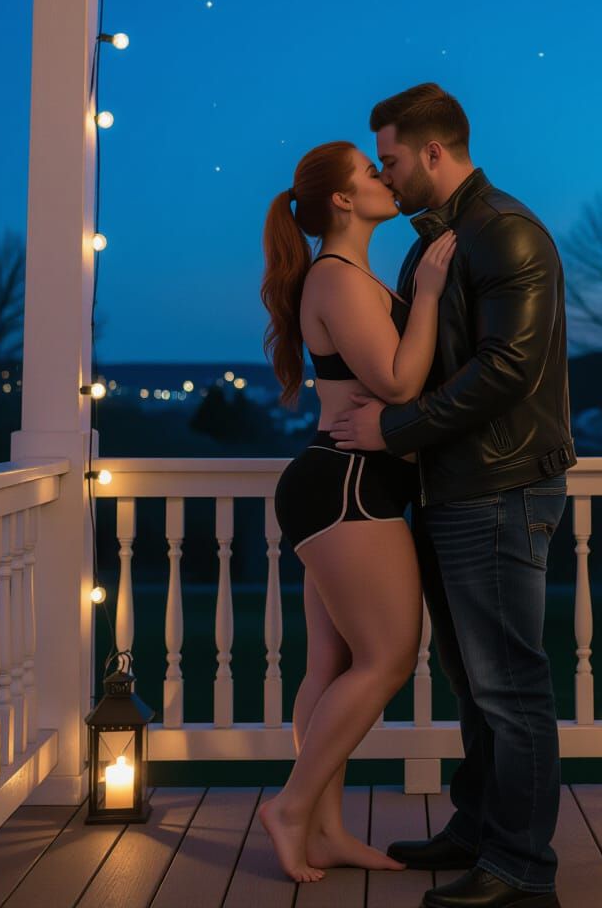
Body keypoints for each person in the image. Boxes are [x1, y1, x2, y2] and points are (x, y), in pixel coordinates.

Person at [330, 84, 576, 908]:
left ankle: (521, 871)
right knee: (474, 684)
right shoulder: (436, 242)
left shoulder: (503, 231)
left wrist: (396, 434)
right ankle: (478, 833)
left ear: (435, 152)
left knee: (511, 689)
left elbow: (509, 369)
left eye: (393, 160)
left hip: (501, 489)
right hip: (454, 490)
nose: (387, 178)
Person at [258, 139, 456, 882]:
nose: (384, 178)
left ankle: (326, 829)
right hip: (348, 490)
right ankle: (292, 807)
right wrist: (431, 294)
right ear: (343, 199)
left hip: (343, 487)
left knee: (332, 662)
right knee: (388, 658)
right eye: (370, 172)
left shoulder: (349, 276)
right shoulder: (337, 280)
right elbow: (401, 385)